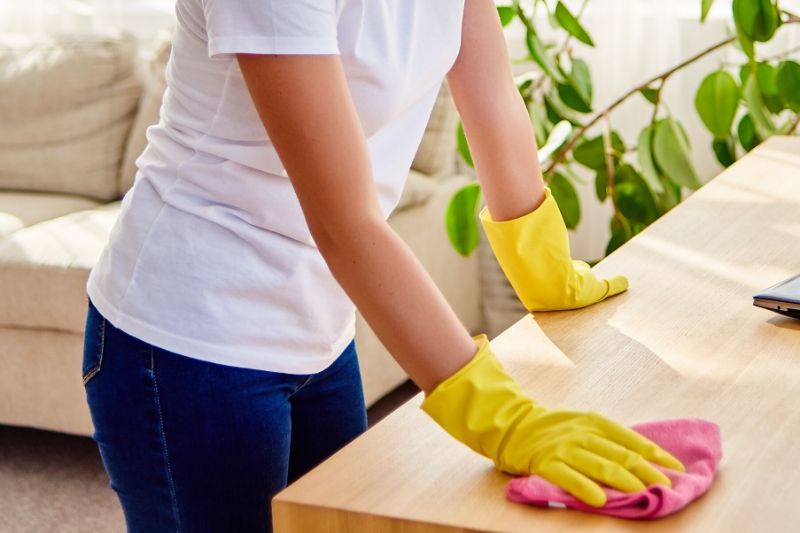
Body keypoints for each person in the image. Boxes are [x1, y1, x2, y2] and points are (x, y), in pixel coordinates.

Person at [80, 0, 685, 531]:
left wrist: (544, 266)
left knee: (348, 521)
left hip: (320, 329)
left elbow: (494, 104)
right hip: (189, 340)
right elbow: (346, 224)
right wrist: (505, 418)